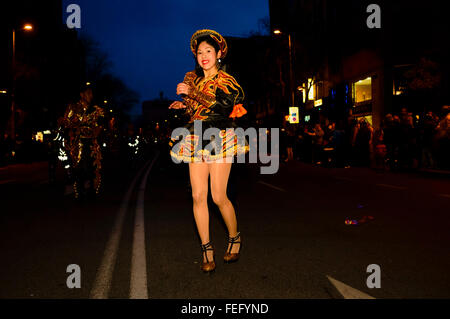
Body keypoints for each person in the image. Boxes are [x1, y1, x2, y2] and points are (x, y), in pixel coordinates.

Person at [168, 29, 249, 273]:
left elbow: (224, 108)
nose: (204, 55)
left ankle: (235, 237)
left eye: (209, 51)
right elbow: (196, 111)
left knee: (218, 196)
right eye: (200, 52)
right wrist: (183, 105)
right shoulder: (194, 80)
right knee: (197, 195)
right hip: (196, 137)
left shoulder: (226, 81)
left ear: (219, 54)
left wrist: (192, 94)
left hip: (220, 136)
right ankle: (206, 248)